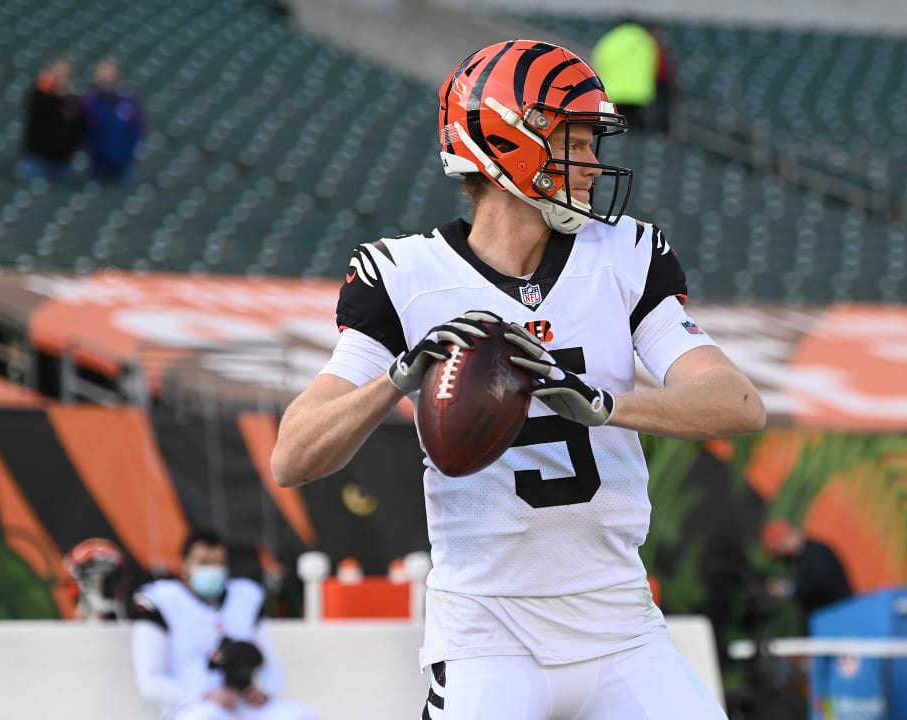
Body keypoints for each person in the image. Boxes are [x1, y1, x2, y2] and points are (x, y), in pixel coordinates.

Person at [270, 39, 766, 720]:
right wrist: (396, 377)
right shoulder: (407, 277)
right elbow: (293, 455)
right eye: (578, 142)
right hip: (487, 636)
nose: (594, 165)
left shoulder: (622, 257)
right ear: (509, 144)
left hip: (620, 626)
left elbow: (738, 404)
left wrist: (603, 404)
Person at [130, 529, 318, 720]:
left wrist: (264, 691)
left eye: (219, 563)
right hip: (191, 708)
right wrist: (201, 697)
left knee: (300, 715)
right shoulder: (161, 600)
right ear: (184, 564)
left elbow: (272, 666)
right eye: (203, 562)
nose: (212, 569)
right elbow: (150, 681)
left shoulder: (247, 597)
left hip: (244, 705)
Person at [21, 56, 84, 182]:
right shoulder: (40, 94)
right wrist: (53, 92)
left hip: (63, 164)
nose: (62, 78)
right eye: (59, 73)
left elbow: (79, 127)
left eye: (66, 75)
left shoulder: (73, 100)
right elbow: (36, 109)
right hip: (38, 161)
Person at [80, 58, 143, 183]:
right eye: (104, 74)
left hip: (124, 166)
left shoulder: (128, 100)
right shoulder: (88, 102)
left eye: (110, 74)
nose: (107, 79)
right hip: (98, 168)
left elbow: (138, 128)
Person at [590, 20, 659, 132]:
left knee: (616, 130)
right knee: (636, 130)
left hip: (615, 92)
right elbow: (654, 64)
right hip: (639, 94)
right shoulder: (645, 40)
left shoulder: (612, 39)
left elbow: (599, 62)